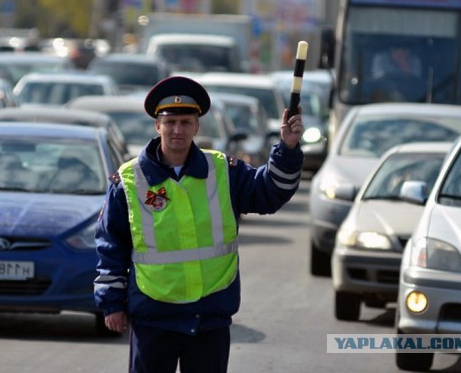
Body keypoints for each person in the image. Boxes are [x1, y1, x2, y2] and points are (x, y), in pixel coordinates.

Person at [93, 76, 305, 373]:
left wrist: (287, 147)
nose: (177, 130)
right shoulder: (129, 180)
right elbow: (110, 245)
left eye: (185, 122)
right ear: (157, 126)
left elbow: (269, 194)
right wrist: (112, 303)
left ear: (197, 126)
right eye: (170, 122)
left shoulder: (223, 170)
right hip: (154, 316)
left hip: (209, 316)